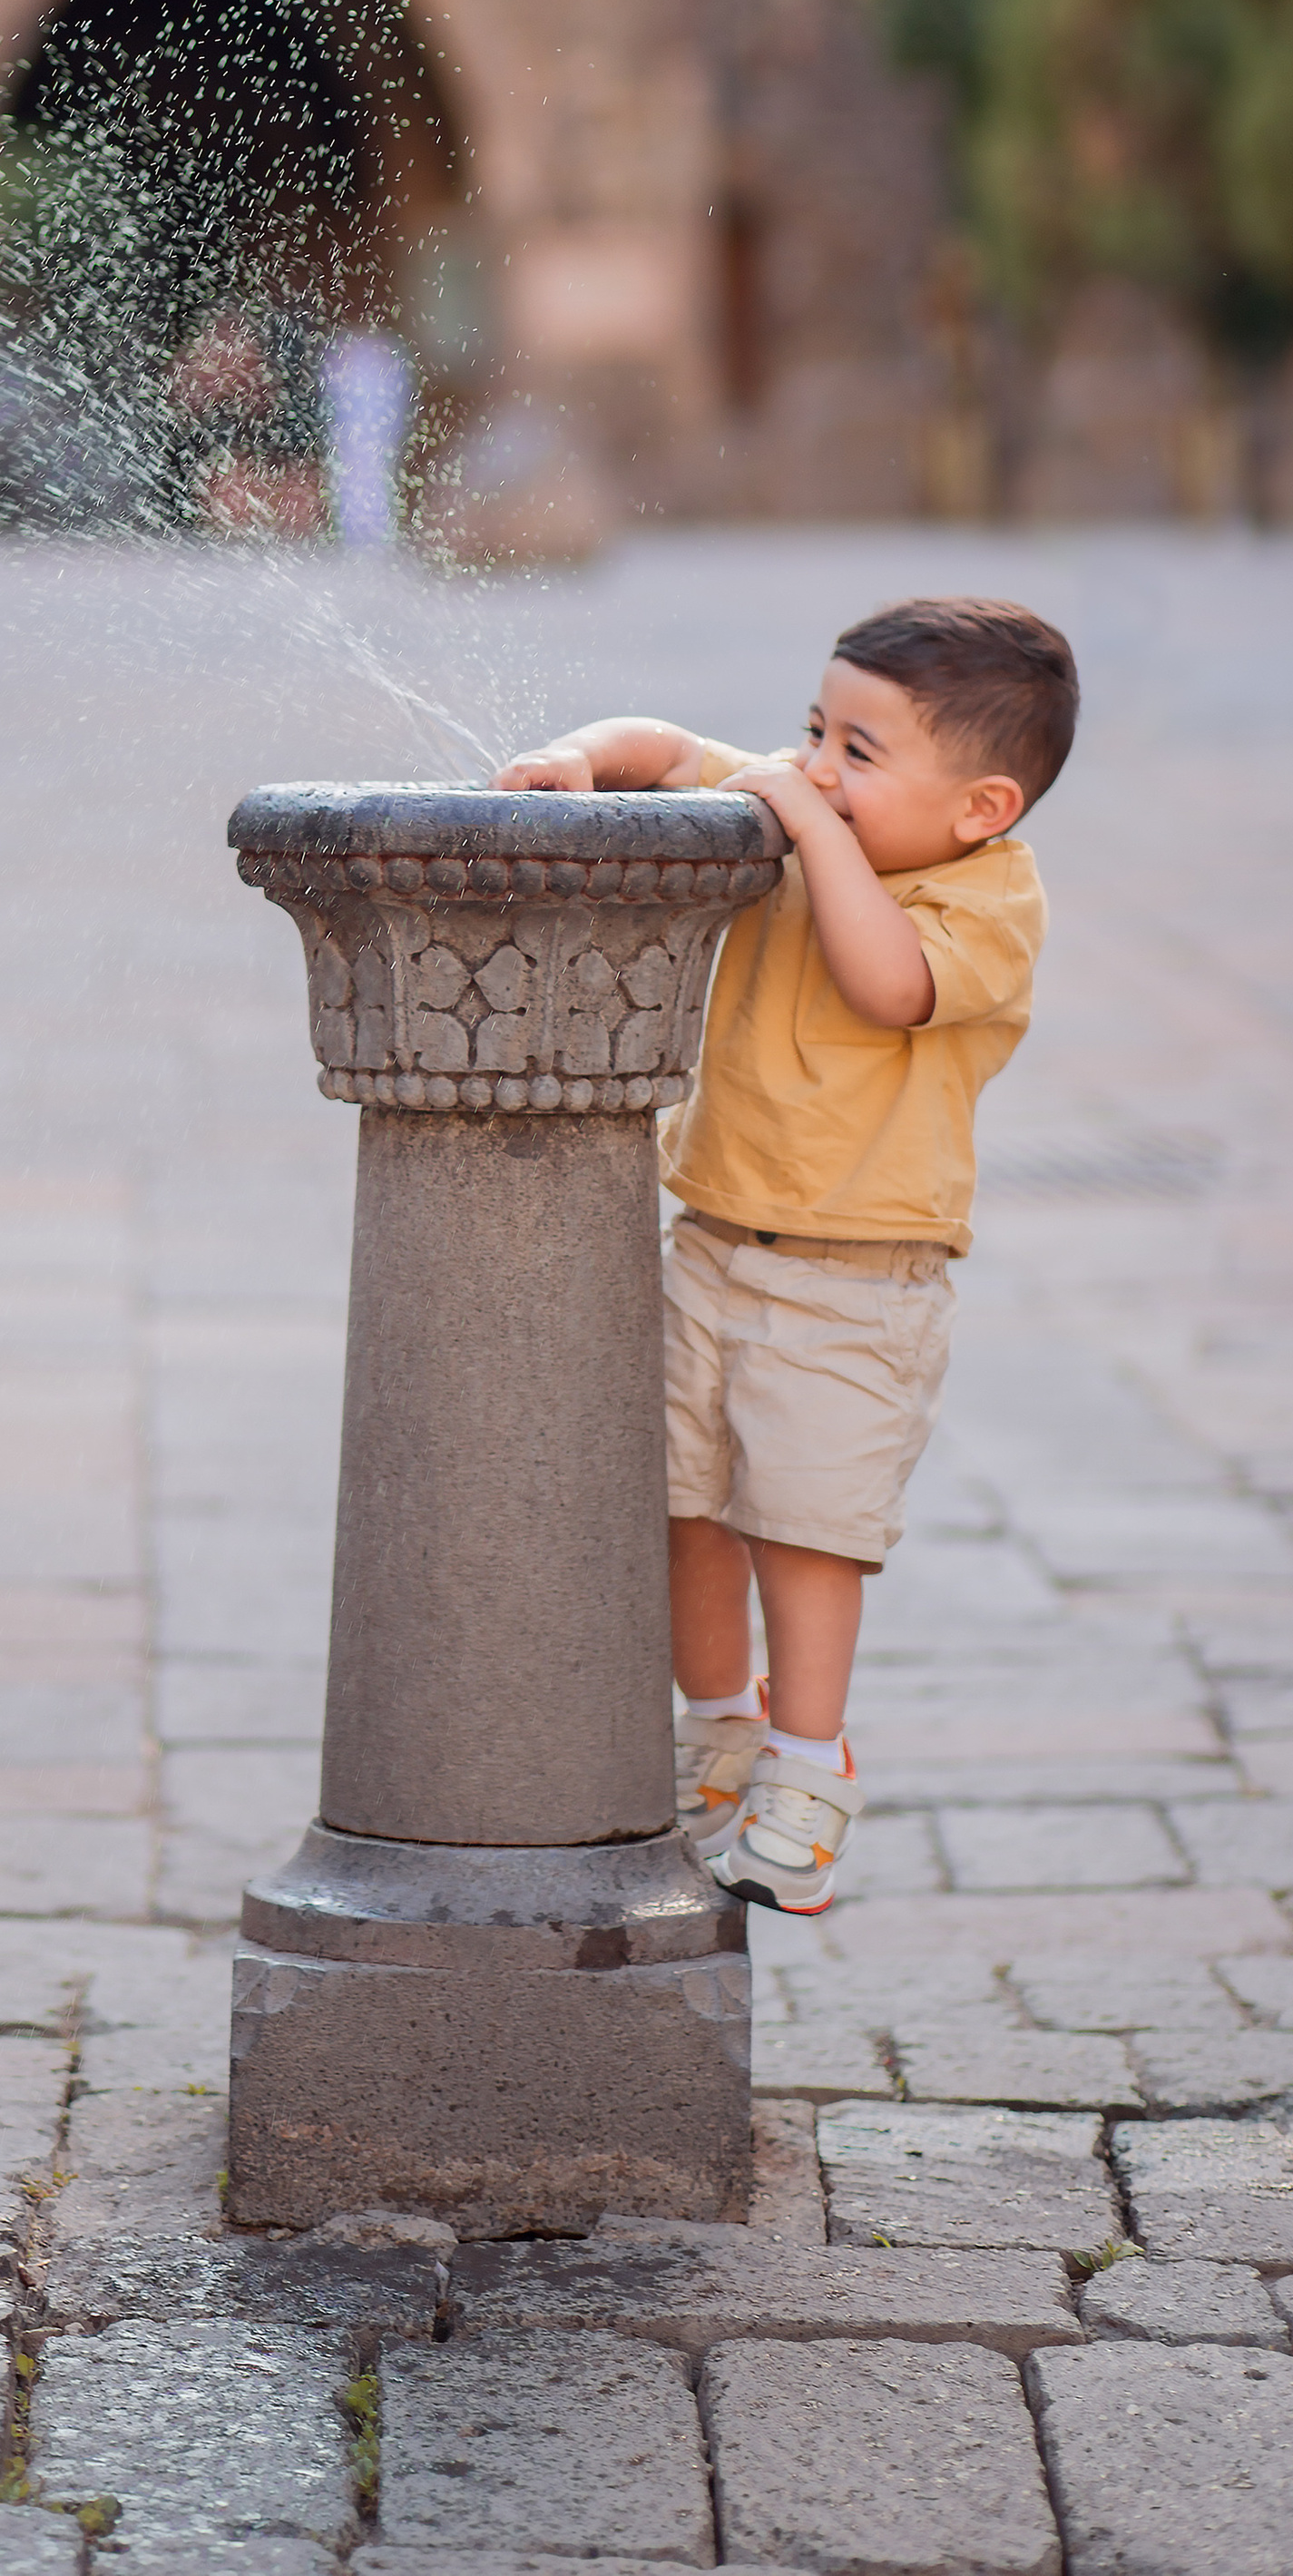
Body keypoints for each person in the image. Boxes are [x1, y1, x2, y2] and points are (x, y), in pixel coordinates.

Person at [495, 595, 1078, 1915]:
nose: (816, 766)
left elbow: (886, 983)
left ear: (983, 806)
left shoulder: (990, 900)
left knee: (805, 1533)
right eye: (817, 730)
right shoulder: (805, 816)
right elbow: (659, 745)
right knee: (681, 1505)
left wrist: (812, 830)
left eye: (860, 752)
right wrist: (586, 762)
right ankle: (719, 1727)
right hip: (708, 1243)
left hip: (857, 1285)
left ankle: (812, 1767)